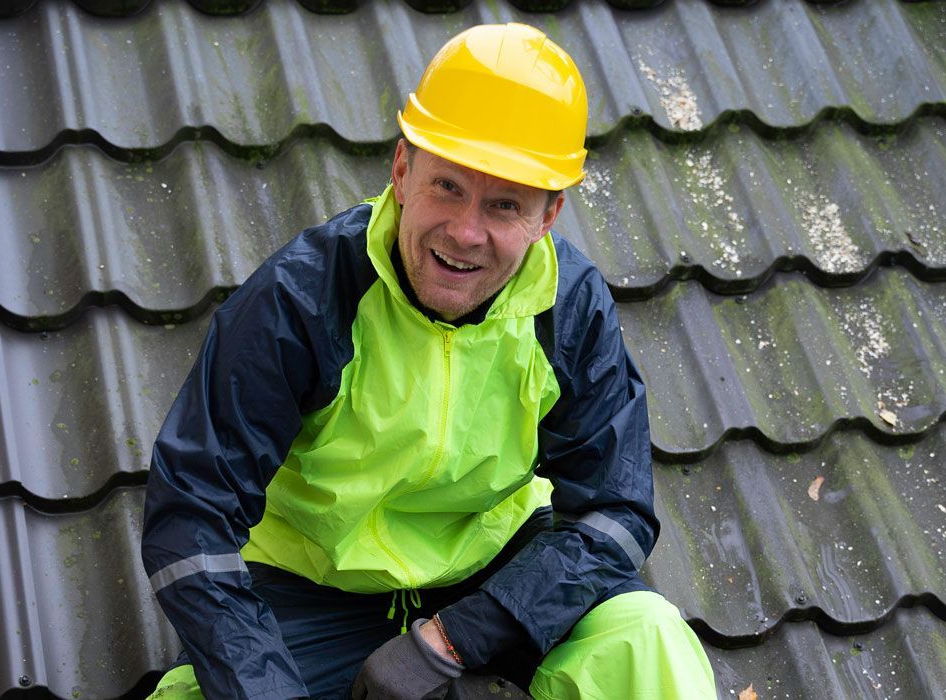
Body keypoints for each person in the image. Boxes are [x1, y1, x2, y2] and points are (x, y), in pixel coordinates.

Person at [142, 23, 716, 700]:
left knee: (648, 641)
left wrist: (460, 637)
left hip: (497, 577)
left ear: (548, 215)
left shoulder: (568, 306)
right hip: (318, 594)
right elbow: (190, 515)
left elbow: (616, 510)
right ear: (402, 170)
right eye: (448, 187)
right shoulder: (299, 301)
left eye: (504, 205)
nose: (466, 233)